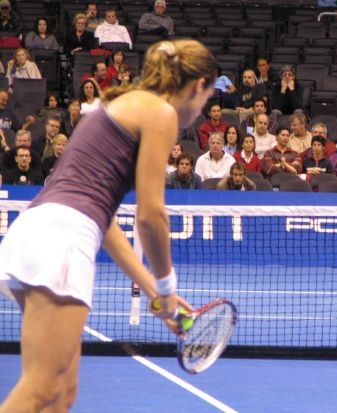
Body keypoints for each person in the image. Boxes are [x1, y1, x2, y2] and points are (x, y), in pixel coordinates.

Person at [0, 39, 216, 412]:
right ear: (197, 87)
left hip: (38, 232)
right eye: (206, 99)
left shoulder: (117, 105)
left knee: (61, 393)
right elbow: (151, 215)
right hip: (63, 240)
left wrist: (152, 288)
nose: (200, 112)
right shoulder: (159, 114)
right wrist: (167, 287)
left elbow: (108, 223)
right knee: (40, 388)